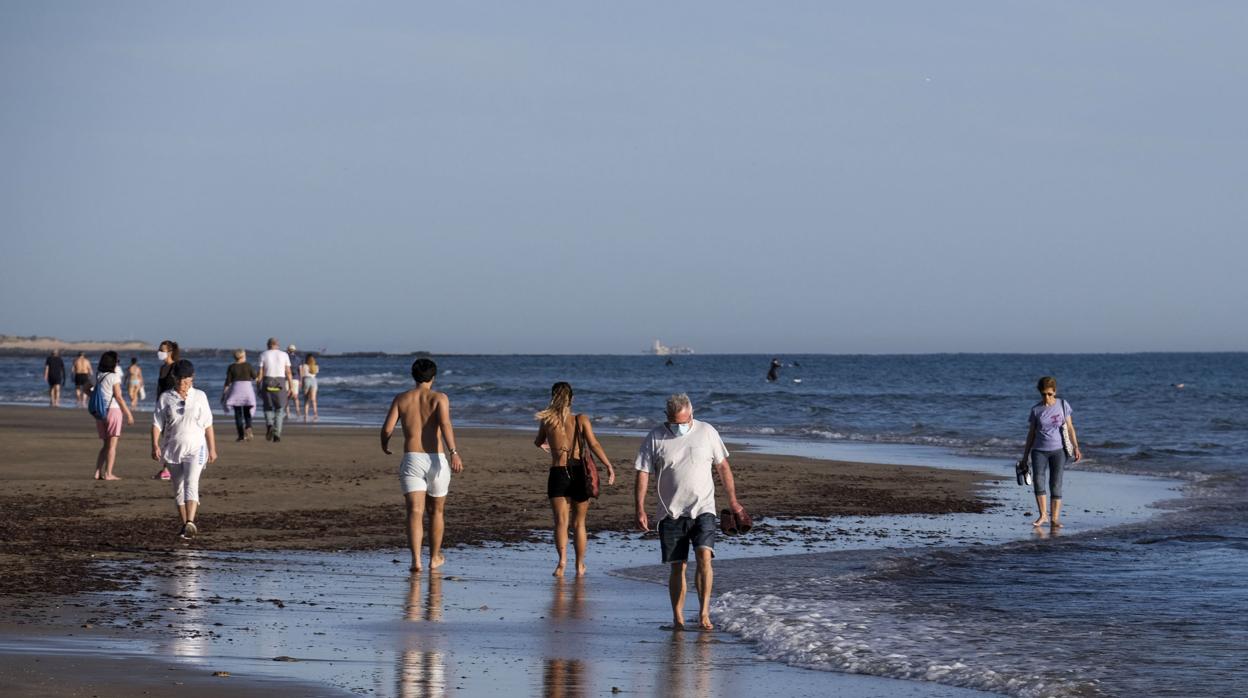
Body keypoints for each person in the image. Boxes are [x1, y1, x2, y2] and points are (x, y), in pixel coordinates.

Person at [635, 393, 745, 631]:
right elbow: (642, 472)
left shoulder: (707, 432)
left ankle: (704, 613)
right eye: (675, 423)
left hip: (704, 508)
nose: (679, 427)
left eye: (684, 423)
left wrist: (734, 502)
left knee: (705, 557)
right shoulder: (656, 437)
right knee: (678, 565)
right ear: (667, 418)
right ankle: (678, 618)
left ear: (691, 415)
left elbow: (723, 467)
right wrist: (640, 508)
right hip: (669, 512)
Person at [381, 358, 464, 572]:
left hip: (412, 459)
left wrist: (385, 445)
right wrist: (454, 452)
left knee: (414, 511)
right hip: (436, 459)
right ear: (433, 377)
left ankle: (416, 560)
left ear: (413, 375)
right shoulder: (439, 398)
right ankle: (434, 557)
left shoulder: (402, 399)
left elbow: (388, 428)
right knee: (436, 512)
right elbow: (445, 424)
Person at [534, 382, 617, 577]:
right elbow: (594, 444)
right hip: (580, 472)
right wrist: (608, 466)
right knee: (579, 523)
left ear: (552, 397)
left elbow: (538, 441)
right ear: (572, 398)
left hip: (558, 472)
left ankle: (562, 562)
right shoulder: (581, 419)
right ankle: (580, 565)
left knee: (560, 522)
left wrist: (547, 447)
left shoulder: (547, 420)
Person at [151, 360, 216, 540]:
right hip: (172, 449)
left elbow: (208, 424)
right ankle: (185, 524)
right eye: (179, 381)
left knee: (191, 482)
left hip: (197, 448)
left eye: (186, 381)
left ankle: (191, 522)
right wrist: (155, 444)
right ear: (174, 378)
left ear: (192, 378)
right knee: (178, 488)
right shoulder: (166, 398)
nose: (182, 385)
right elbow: (157, 424)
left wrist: (212, 448)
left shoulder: (200, 396)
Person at [1019, 376, 1083, 529]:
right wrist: (1025, 455)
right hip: (1039, 451)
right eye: (1043, 394)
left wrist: (1076, 447)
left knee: (1055, 484)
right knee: (1039, 482)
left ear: (1055, 392)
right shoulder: (1036, 410)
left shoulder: (1063, 405)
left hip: (1059, 451)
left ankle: (1054, 518)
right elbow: (1031, 434)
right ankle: (1043, 516)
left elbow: (1070, 428)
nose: (1046, 397)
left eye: (1049, 394)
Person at [93, 351, 135, 480]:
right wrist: (128, 414)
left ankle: (97, 472)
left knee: (105, 445)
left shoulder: (98, 375)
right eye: (117, 361)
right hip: (113, 411)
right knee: (112, 446)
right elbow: (118, 397)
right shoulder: (114, 377)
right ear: (113, 363)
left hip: (100, 412)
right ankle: (108, 473)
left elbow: (86, 388)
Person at [152, 340, 181, 481]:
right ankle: (167, 468)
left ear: (170, 352)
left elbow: (180, 386)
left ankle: (167, 469)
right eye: (159, 349)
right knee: (166, 437)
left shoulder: (175, 367)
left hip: (174, 406)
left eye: (162, 350)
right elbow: (160, 389)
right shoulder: (162, 368)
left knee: (171, 437)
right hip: (162, 406)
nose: (159, 352)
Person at [257, 338, 296, 442]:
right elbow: (288, 372)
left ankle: (269, 424)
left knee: (267, 407)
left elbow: (260, 373)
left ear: (268, 345)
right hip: (280, 381)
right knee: (280, 408)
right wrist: (291, 387)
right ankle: (277, 434)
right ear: (277, 345)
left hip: (267, 380)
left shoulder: (263, 354)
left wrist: (258, 385)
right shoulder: (284, 355)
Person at [223, 349, 258, 441]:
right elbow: (254, 376)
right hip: (247, 390)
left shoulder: (232, 367)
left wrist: (224, 394)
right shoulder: (248, 365)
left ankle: (241, 435)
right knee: (247, 411)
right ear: (243, 356)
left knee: (238, 414)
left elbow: (228, 382)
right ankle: (248, 427)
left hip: (236, 390)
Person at [285, 344, 302, 419]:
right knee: (295, 397)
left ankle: (287, 413)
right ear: (294, 350)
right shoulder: (298, 359)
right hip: (295, 379)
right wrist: (301, 380)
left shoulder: (285, 358)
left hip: (286, 379)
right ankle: (298, 412)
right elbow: (300, 371)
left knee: (286, 397)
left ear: (288, 350)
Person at [301, 354, 319, 422]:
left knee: (306, 399)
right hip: (313, 380)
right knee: (313, 399)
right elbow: (316, 373)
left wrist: (302, 383)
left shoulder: (304, 366)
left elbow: (302, 375)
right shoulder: (316, 366)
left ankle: (306, 414)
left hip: (306, 380)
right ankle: (315, 414)